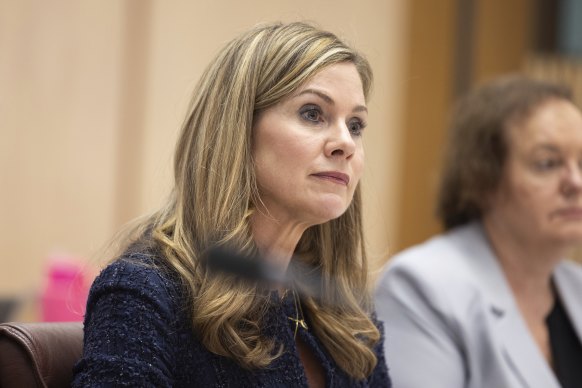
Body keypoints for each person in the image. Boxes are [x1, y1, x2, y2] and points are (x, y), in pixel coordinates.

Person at [72, 22, 391, 387]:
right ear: (239, 128)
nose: (345, 143)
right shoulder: (144, 292)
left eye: (355, 125)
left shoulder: (348, 316)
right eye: (312, 113)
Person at [375, 75, 582, 388]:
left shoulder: (576, 285)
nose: (576, 183)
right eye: (548, 163)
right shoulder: (422, 286)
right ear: (484, 180)